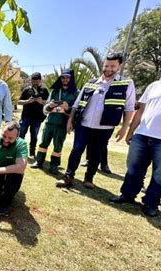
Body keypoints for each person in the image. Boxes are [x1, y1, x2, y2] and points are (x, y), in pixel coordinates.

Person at [110, 52, 161, 217]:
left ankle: (151, 203)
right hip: (142, 135)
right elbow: (141, 110)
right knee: (134, 168)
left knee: (160, 175)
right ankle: (127, 195)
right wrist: (131, 131)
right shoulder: (155, 85)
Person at [56, 52, 136, 189]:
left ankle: (89, 178)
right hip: (83, 125)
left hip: (104, 128)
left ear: (119, 66)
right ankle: (68, 177)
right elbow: (76, 104)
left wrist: (124, 128)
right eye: (106, 65)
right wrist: (70, 120)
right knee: (76, 150)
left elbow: (129, 108)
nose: (108, 69)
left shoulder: (126, 84)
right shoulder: (91, 83)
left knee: (96, 153)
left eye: (112, 66)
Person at [31, 68, 79, 174]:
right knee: (43, 143)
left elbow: (77, 111)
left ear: (71, 78)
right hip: (50, 122)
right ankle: (39, 162)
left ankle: (54, 166)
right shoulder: (55, 91)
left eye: (67, 77)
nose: (64, 79)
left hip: (62, 124)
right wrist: (50, 105)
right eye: (62, 77)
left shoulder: (76, 93)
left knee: (58, 146)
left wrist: (68, 108)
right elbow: (45, 109)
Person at [18, 72, 49, 158]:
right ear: (31, 80)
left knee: (34, 136)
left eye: (37, 81)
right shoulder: (26, 90)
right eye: (33, 81)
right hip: (26, 116)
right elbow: (19, 101)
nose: (35, 83)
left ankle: (32, 153)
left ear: (40, 81)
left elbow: (49, 103)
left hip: (37, 118)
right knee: (21, 134)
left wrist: (41, 101)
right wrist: (28, 101)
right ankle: (19, 152)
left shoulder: (44, 90)